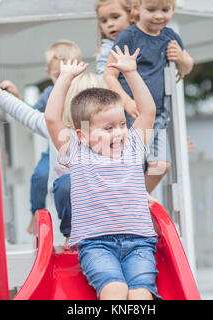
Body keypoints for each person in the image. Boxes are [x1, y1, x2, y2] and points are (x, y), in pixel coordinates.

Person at [44, 46, 160, 300]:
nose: (118, 132)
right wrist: (64, 78)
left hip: (140, 242)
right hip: (97, 245)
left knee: (141, 291)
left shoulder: (132, 147)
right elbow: (52, 119)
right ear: (82, 135)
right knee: (115, 288)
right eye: (107, 128)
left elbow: (148, 111)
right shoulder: (77, 153)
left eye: (121, 124)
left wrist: (131, 73)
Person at [0, 70, 108, 250]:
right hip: (69, 193)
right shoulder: (57, 127)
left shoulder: (108, 133)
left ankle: (105, 232)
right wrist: (0, 94)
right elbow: (25, 113)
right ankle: (72, 232)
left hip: (99, 195)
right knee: (67, 182)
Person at [104, 0, 194, 195]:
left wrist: (181, 58)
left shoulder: (170, 37)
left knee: (161, 164)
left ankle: (136, 199)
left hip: (158, 114)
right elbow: (108, 75)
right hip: (131, 116)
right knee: (132, 164)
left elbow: (187, 67)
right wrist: (126, 102)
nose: (158, 15)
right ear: (137, 8)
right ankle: (125, 201)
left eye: (165, 10)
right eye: (151, 10)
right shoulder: (129, 36)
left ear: (173, 9)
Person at [0, 40, 82, 235]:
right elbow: (31, 115)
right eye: (57, 75)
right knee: (39, 176)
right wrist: (17, 97)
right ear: (48, 73)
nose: (64, 79)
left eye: (68, 73)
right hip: (54, 149)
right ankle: (35, 214)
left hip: (80, 150)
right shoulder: (50, 93)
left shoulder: (82, 91)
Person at [95, 0, 134, 76]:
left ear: (131, 16)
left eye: (115, 17)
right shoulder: (107, 49)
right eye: (104, 21)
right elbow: (103, 77)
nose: (109, 24)